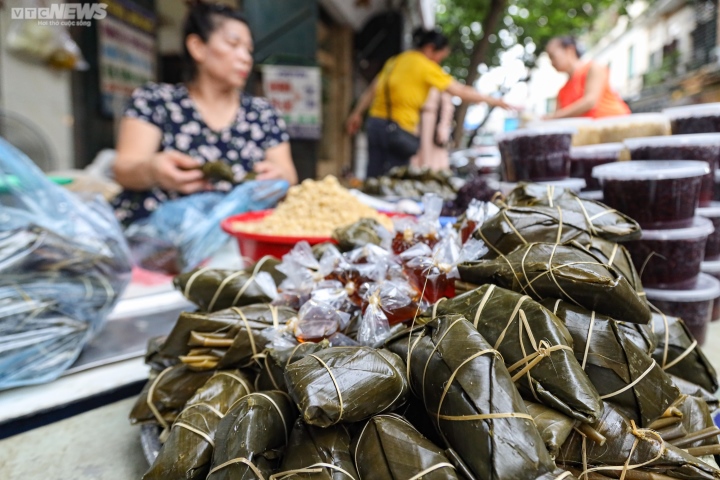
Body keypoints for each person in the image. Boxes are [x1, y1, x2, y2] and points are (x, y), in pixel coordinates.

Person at [112, 1, 298, 226]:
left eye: (248, 50)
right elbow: (124, 169)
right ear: (198, 47)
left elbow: (289, 176)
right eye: (233, 44)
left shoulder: (263, 114)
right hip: (154, 240)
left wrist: (278, 178)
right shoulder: (155, 101)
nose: (246, 57)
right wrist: (153, 171)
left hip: (236, 240)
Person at [346, 28, 515, 178]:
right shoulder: (425, 66)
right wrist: (493, 100)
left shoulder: (394, 61)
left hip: (375, 124)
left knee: (373, 175)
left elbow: (371, 90)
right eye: (440, 56)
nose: (438, 61)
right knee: (395, 179)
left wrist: (356, 114)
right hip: (398, 130)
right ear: (430, 49)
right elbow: (460, 91)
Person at [544, 36, 631, 119]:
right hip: (590, 131)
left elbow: (590, 102)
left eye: (552, 56)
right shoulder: (562, 92)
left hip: (617, 124)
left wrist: (554, 116)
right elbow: (559, 117)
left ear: (569, 50)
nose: (552, 63)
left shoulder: (593, 68)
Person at [410, 87, 454, 171]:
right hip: (416, 122)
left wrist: (443, 127)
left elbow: (447, 108)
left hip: (432, 124)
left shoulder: (438, 82)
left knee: (431, 156)